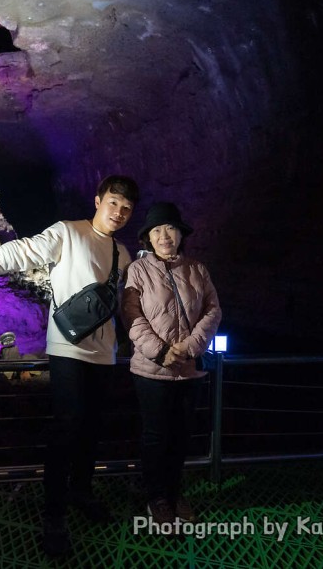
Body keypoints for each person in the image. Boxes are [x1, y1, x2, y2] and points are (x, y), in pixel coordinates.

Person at [0, 175, 139, 557]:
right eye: (113, 203)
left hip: (105, 354)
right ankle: (53, 515)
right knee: (66, 428)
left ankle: (82, 492)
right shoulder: (69, 233)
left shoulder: (122, 250)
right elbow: (24, 251)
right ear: (98, 200)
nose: (118, 212)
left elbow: (121, 302)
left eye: (126, 207)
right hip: (69, 349)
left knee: (92, 429)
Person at [122, 201, 221, 526]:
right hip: (151, 371)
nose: (165, 236)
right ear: (148, 239)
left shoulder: (197, 269)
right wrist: (161, 352)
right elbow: (132, 316)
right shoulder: (137, 271)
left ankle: (175, 491)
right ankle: (157, 497)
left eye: (170, 228)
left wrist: (192, 346)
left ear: (180, 234)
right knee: (155, 435)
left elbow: (212, 310)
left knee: (181, 435)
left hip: (189, 370)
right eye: (157, 230)